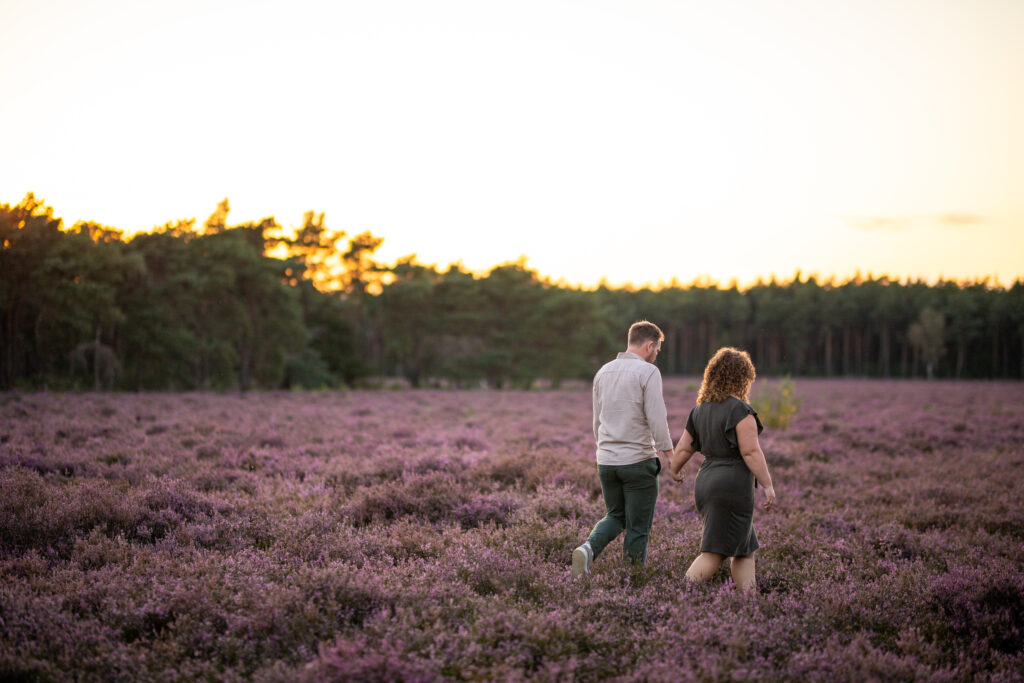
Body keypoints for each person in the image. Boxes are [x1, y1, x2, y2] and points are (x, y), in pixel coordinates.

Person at [572, 320, 674, 577]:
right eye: (658, 349)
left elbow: (597, 422)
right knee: (638, 527)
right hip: (638, 461)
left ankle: (588, 549)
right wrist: (669, 453)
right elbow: (657, 417)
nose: (656, 354)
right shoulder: (649, 372)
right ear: (650, 345)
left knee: (616, 516)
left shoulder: (603, 372)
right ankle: (632, 581)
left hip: (606, 462)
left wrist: (605, 450)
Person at [669, 347, 776, 591]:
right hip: (732, 484)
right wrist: (768, 485)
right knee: (713, 553)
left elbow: (684, 448)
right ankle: (679, 594)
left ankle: (750, 603)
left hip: (706, 481)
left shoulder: (699, 409)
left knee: (744, 549)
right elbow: (750, 452)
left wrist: (675, 469)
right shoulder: (740, 410)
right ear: (742, 378)